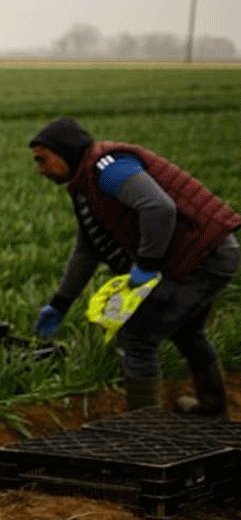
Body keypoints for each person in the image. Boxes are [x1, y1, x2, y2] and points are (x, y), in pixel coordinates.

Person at [28, 117, 239, 417]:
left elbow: (158, 207)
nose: (40, 170)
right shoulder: (87, 184)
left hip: (203, 256)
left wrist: (146, 265)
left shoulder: (108, 169)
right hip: (209, 254)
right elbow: (87, 250)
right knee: (187, 332)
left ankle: (144, 436)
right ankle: (213, 411)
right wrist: (60, 304)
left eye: (43, 160)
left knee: (138, 337)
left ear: (65, 152)